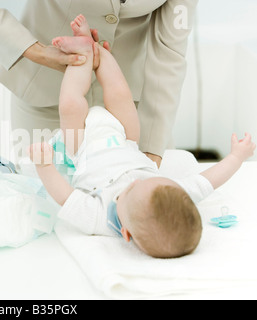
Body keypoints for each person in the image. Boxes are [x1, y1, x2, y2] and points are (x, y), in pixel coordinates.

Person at [29, 15, 256, 259]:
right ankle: (99, 52)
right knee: (120, 95)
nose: (134, 181)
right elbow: (209, 180)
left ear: (125, 233)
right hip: (126, 139)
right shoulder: (174, 197)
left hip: (82, 147)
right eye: (148, 181)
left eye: (128, 192)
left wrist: (44, 165)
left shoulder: (99, 219)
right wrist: (237, 157)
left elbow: (65, 196)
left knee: (70, 105)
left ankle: (82, 55)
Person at [0, 0, 200, 167]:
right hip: (47, 96)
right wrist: (35, 51)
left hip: (132, 106)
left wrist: (151, 152)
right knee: (51, 214)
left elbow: (170, 51)